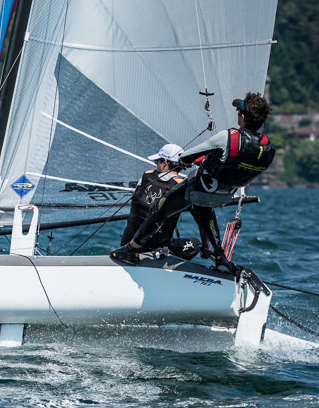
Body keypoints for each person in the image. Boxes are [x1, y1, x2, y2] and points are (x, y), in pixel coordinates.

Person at [112, 92, 275, 273]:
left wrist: (188, 161)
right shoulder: (266, 150)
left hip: (200, 190)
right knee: (203, 207)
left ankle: (131, 250)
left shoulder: (226, 137)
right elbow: (234, 166)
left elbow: (186, 156)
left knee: (160, 208)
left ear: (242, 117)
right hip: (224, 196)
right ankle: (220, 257)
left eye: (238, 112)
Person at [119, 143, 201, 260]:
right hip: (156, 247)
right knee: (196, 244)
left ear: (165, 162)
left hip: (127, 242)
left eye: (157, 161)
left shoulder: (145, 176)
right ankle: (167, 267)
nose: (156, 163)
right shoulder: (181, 186)